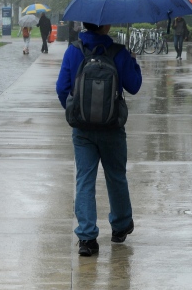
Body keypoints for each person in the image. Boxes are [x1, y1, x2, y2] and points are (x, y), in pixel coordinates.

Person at [55, 22, 142, 257]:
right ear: (106, 25)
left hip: (82, 129)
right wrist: (133, 60)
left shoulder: (74, 51)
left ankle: (87, 237)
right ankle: (121, 226)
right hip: (112, 127)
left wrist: (76, 112)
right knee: (116, 176)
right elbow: (134, 86)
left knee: (84, 179)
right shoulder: (118, 52)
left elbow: (62, 88)